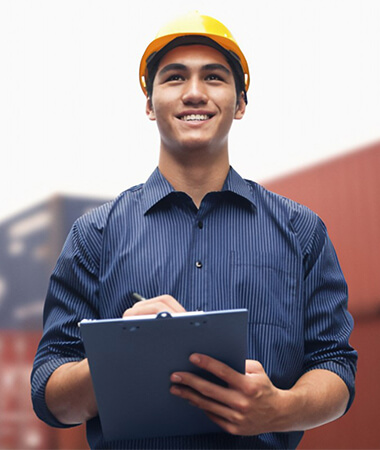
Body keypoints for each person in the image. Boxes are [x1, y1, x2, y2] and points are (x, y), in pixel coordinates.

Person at [31, 11, 357, 450]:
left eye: (215, 77)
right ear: (149, 103)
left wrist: (279, 408)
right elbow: (50, 394)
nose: (195, 93)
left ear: (240, 103)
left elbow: (335, 365)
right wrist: (117, 356)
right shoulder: (95, 236)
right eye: (174, 78)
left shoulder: (302, 233)